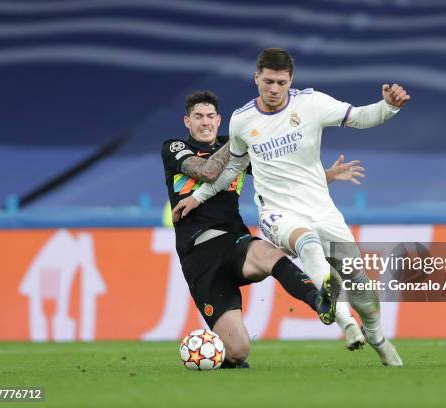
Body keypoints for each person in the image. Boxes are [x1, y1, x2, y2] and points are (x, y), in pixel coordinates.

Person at [173, 48, 410, 366]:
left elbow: (359, 117)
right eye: (268, 81)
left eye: (281, 82)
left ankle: (378, 339)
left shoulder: (311, 104)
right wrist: (198, 196)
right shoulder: (243, 120)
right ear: (256, 77)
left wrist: (388, 108)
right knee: (307, 244)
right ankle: (345, 322)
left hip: (322, 209)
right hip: (278, 213)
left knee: (360, 285)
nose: (273, 89)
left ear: (290, 81)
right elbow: (233, 167)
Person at [162, 90, 365, 368]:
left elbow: (284, 177)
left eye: (211, 116)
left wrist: (326, 176)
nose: (205, 122)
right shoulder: (174, 147)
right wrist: (242, 136)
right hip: (199, 255)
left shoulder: (237, 149)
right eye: (198, 116)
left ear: (219, 119)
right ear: (187, 121)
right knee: (237, 351)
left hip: (235, 241)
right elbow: (208, 171)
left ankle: (319, 301)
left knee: (269, 255)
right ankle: (225, 363)